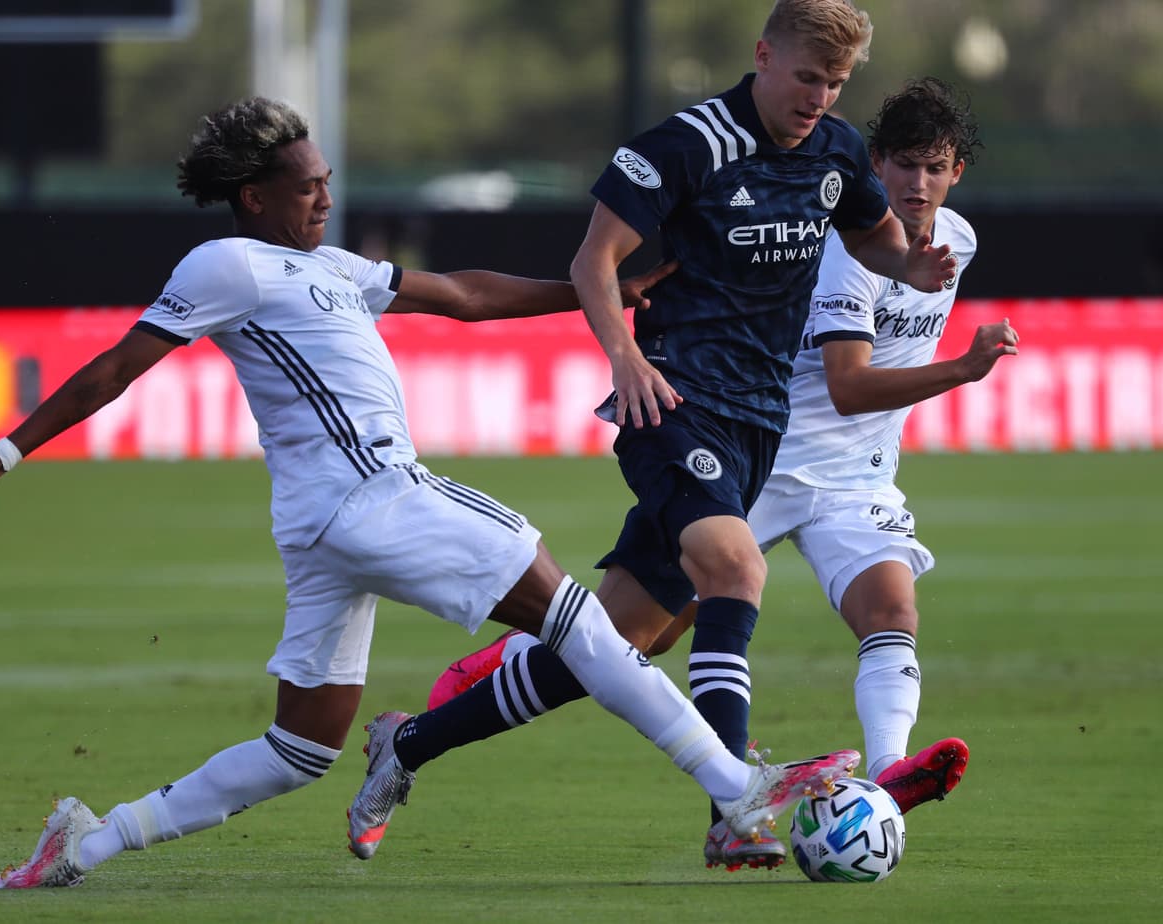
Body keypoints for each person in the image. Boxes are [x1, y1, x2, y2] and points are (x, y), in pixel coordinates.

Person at [0, 96, 859, 889]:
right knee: (583, 624)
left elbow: (466, 295)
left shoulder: (332, 268)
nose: (324, 195)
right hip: (372, 497)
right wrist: (8, 452)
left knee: (300, 748)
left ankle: (88, 841)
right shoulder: (225, 265)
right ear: (252, 196)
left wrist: (609, 285)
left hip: (324, 528)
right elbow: (120, 367)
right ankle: (735, 788)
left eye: (324, 180)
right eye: (305, 185)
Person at [345, 2, 980, 871]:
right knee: (735, 567)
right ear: (763, 56)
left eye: (834, 86)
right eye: (805, 78)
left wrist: (911, 265)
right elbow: (592, 262)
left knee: (609, 647)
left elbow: (874, 238)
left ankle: (408, 745)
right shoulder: (683, 144)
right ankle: (735, 807)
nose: (817, 99)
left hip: (759, 422)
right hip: (672, 402)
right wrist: (625, 358)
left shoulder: (833, 152)